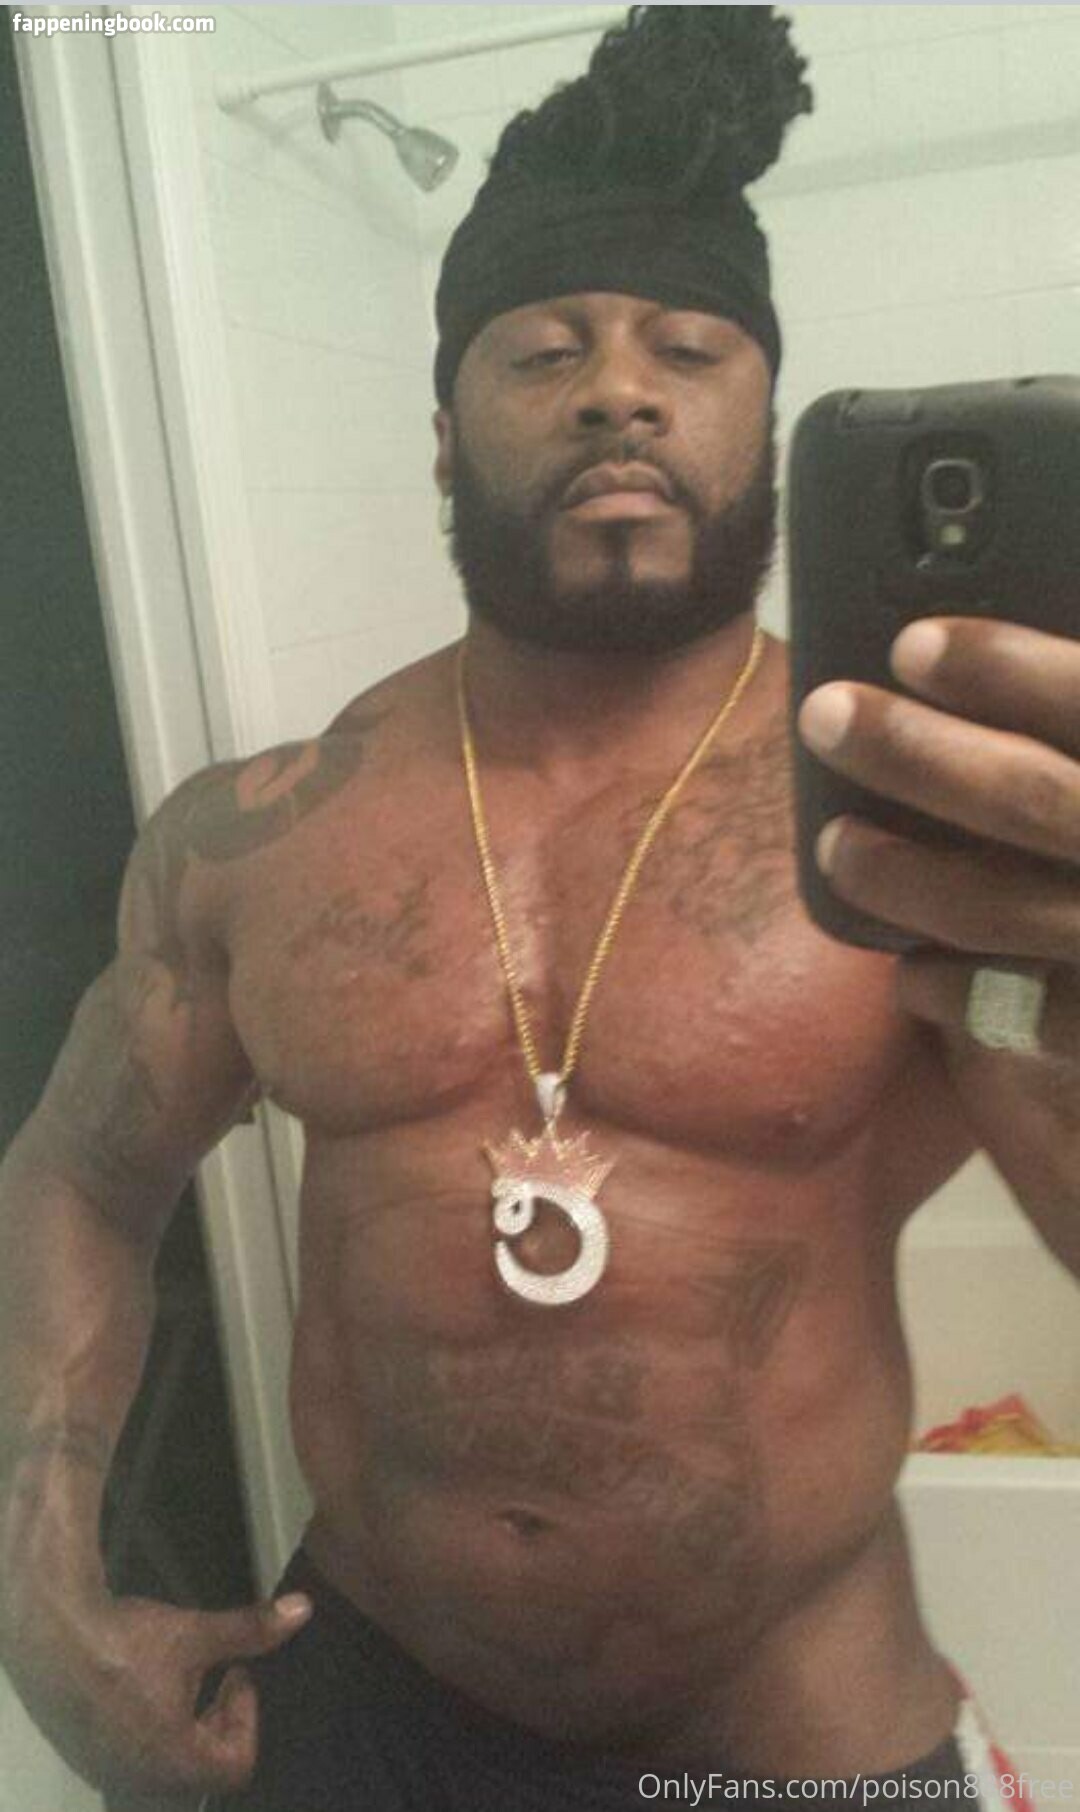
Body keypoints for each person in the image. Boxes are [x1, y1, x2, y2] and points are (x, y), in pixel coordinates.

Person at [1, 8, 1078, 1810]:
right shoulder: (257, 837)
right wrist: (40, 1587)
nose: (618, 392)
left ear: (765, 420)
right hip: (360, 1694)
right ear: (444, 439)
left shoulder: (917, 825)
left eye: (689, 347)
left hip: (789, 1733)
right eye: (544, 349)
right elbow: (78, 1179)